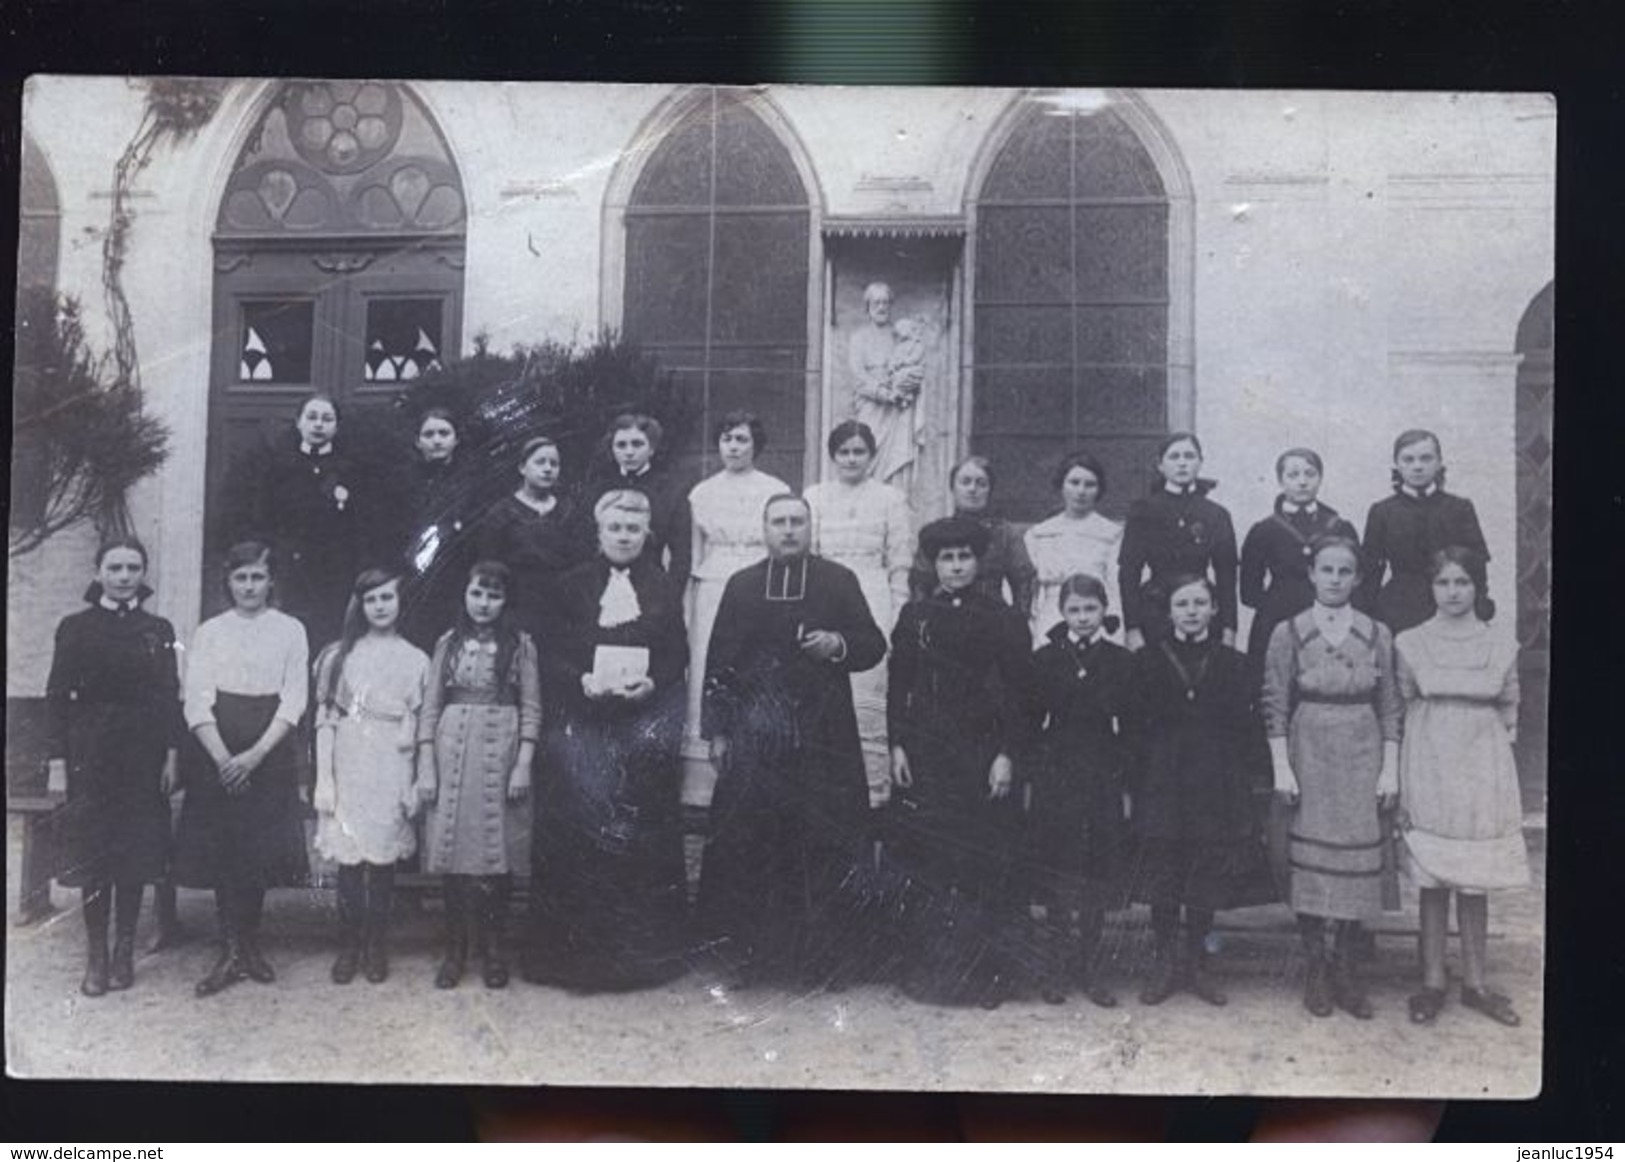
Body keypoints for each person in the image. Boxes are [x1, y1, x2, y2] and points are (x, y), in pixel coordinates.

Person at [696, 494, 887, 988]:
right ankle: (753, 961)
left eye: (796, 522)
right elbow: (719, 662)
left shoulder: (838, 580)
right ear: (764, 529)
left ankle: (825, 964)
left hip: (824, 736)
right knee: (752, 845)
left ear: (810, 527)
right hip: (757, 736)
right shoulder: (741, 586)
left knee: (824, 845)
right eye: (778, 522)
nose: (787, 530)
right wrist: (716, 730)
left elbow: (872, 644)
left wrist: (836, 644)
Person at [523, 490, 691, 991]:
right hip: (583, 727)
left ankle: (641, 961)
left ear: (645, 535)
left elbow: (675, 654)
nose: (623, 537)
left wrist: (653, 684)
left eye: (632, 529)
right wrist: (580, 680)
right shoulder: (569, 585)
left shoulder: (662, 587)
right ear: (599, 532)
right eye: (615, 528)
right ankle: (571, 962)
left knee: (636, 837)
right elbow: (548, 651)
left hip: (638, 729)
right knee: (579, 833)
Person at [887, 517, 1034, 1009]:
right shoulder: (915, 616)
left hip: (983, 753)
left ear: (978, 562)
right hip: (930, 753)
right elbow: (899, 685)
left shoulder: (1004, 618)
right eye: (947, 558)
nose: (956, 566)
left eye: (964, 557)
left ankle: (990, 978)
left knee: (984, 863)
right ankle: (934, 973)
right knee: (932, 860)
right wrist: (898, 745)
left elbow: (1020, 696)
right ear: (935, 564)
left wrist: (1007, 755)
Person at [1262, 536, 1401, 1019]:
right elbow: (1275, 703)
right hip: (1310, 748)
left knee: (1353, 861)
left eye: (1345, 572)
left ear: (1358, 578)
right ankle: (1315, 966)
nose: (1336, 580)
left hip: (1361, 748)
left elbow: (1391, 706)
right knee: (1310, 861)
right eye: (1327, 570)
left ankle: (1344, 966)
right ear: (1312, 574)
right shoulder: (1289, 632)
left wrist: (1390, 768)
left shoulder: (1377, 633)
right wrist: (1283, 766)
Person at [1395, 547, 1529, 1028]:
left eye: (1462, 583)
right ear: (1431, 588)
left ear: (1477, 587)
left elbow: (1510, 706)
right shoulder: (1411, 642)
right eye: (1443, 583)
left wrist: (1492, 759)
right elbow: (1407, 701)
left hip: (1481, 763)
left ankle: (1476, 982)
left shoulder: (1500, 643)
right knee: (1434, 875)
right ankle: (1432, 980)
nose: (1452, 593)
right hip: (1431, 757)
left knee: (1475, 876)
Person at [44, 536, 182, 995]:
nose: (124, 577)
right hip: (92, 752)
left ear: (143, 574)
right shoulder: (75, 627)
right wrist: (60, 761)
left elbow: (168, 697)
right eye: (116, 567)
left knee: (135, 851)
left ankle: (125, 950)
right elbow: (57, 698)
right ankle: (96, 957)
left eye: (133, 568)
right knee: (97, 855)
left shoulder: (159, 629)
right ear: (98, 571)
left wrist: (170, 755)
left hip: (142, 755)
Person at [174, 541, 311, 997]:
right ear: (227, 582)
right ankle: (229, 949)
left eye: (257, 577)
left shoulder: (290, 629)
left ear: (271, 581)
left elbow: (294, 698)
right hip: (216, 744)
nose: (249, 586)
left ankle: (250, 945)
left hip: (268, 747)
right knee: (223, 849)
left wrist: (254, 756)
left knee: (256, 851)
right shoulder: (210, 631)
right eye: (241, 577)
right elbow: (196, 699)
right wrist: (222, 758)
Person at [1126, 574, 1267, 1007]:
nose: (1190, 611)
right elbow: (1133, 727)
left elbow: (1246, 729)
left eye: (1199, 602)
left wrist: (1246, 781)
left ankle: (1198, 964)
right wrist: (1133, 782)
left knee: (1205, 871)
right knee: (1165, 869)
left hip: (1215, 778)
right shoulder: (1146, 660)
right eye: (1182, 603)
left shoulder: (1234, 663)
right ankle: (1165, 962)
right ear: (1168, 611)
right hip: (1163, 776)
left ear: (1214, 609)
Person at [416, 560, 540, 990]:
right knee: (455, 862)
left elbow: (531, 708)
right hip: (454, 750)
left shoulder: (520, 645)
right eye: (477, 594)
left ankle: (493, 950)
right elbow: (430, 708)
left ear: (505, 602)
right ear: (464, 596)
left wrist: (523, 762)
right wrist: (427, 764)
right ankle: (455, 952)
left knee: (495, 860)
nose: (484, 604)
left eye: (493, 595)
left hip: (502, 751)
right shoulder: (448, 643)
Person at [312, 567, 430, 985]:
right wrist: (324, 779)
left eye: (387, 598)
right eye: (372, 599)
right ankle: (348, 945)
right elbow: (325, 722)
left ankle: (376, 945)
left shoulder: (416, 659)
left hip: (392, 760)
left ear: (400, 603)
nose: (380, 607)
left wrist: (413, 780)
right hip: (350, 756)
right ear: (359, 606)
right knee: (349, 857)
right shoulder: (339, 656)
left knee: (381, 859)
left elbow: (420, 728)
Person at [1027, 573, 1134, 1008]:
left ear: (1104, 610)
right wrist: (1033, 778)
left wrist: (1125, 783)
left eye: (1091, 609)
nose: (1083, 618)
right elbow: (1031, 723)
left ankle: (1090, 967)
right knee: (1058, 870)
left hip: (1102, 770)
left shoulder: (1121, 661)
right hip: (1057, 770)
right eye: (1074, 610)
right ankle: (1057, 964)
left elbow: (1131, 729)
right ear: (1062, 612)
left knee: (1094, 870)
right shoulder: (1045, 660)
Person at [804, 419, 916, 807]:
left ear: (871, 456)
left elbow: (900, 561)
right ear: (833, 456)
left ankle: (874, 790)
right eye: (844, 452)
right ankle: (828, 787)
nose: (851, 459)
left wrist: (898, 613)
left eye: (859, 452)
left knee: (869, 686)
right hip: (828, 592)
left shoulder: (890, 499)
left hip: (873, 591)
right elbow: (810, 555)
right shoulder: (815, 496)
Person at [682, 412, 789, 801]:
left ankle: (762, 762)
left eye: (742, 439)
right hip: (713, 584)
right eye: (727, 438)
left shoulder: (775, 489)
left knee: (756, 662)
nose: (733, 446)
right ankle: (701, 778)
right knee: (711, 663)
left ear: (755, 445)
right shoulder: (702, 493)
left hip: (760, 583)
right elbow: (694, 553)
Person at [224, 392, 369, 651]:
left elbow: (359, 525)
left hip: (334, 573)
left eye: (327, 419)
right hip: (290, 572)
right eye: (311, 417)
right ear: (299, 422)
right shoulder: (278, 467)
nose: (318, 424)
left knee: (330, 636)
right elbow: (263, 517)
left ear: (336, 426)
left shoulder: (351, 468)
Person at [1240, 448, 1360, 684]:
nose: (1302, 482)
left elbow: (1355, 580)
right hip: (1276, 619)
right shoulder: (1263, 530)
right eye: (1293, 475)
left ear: (1320, 478)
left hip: (1329, 619)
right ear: (1280, 480)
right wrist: (1279, 605)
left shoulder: (1339, 527)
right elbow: (1249, 592)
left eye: (1310, 474)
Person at [1359, 429, 1491, 634]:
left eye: (1426, 458)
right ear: (1397, 465)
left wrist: (1479, 607)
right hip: (1398, 609)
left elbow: (1477, 565)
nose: (1417, 466)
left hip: (1451, 604)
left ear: (1439, 462)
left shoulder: (1459, 508)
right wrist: (1366, 616)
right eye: (1408, 459)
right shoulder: (1382, 511)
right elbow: (1370, 571)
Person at [1119, 432, 1239, 652]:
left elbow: (1227, 577)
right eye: (1174, 457)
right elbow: (1129, 573)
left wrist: (1229, 630)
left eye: (1189, 456)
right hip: (1155, 611)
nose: (1182, 463)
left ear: (1200, 462)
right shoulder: (1143, 510)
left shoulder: (1216, 514)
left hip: (1200, 611)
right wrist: (1132, 628)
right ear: (1160, 465)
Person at [476, 435, 585, 645]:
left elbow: (580, 560)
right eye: (540, 462)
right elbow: (488, 565)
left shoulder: (569, 511)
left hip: (561, 608)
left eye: (554, 464)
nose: (547, 469)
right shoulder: (501, 512)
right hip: (517, 607)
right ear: (522, 467)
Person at [908, 454, 1037, 614]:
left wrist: (1018, 622)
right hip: (944, 616)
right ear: (953, 488)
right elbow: (920, 581)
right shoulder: (936, 532)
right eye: (965, 482)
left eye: (981, 484)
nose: (973, 489)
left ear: (990, 490)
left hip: (992, 618)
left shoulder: (1004, 533)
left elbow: (1023, 580)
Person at [401, 406, 483, 650]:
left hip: (456, 576)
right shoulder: (404, 480)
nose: (437, 440)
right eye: (429, 435)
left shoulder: (470, 482)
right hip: (414, 579)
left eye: (444, 433)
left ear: (456, 439)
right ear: (417, 441)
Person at [1024, 451, 1124, 648]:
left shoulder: (1112, 534)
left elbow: (1116, 589)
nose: (1081, 491)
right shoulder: (1040, 534)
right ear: (1061, 485)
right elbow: (1029, 590)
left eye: (1089, 485)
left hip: (1096, 616)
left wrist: (1116, 632)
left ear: (1099, 489)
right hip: (1050, 616)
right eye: (1074, 482)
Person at [579, 413, 693, 581]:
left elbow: (681, 555)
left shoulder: (671, 490)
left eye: (637, 444)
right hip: (601, 582)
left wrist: (671, 597)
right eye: (621, 445)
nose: (629, 452)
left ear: (652, 448)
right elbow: (585, 544)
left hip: (651, 586)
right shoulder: (598, 489)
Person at [847, 281, 926, 488]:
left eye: (885, 303)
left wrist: (908, 382)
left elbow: (912, 362)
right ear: (868, 308)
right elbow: (858, 377)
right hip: (872, 409)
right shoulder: (859, 338)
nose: (881, 307)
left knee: (897, 460)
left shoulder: (899, 335)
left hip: (898, 411)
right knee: (869, 455)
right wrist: (883, 394)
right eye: (876, 303)